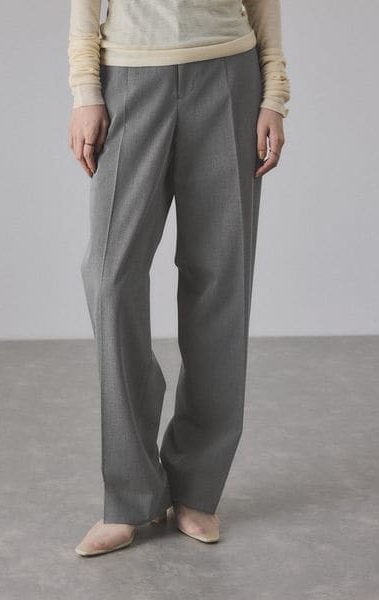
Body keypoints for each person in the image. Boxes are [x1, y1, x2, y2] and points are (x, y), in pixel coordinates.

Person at [68, 0, 290, 557]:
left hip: (228, 74)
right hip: (128, 76)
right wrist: (85, 91)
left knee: (220, 279)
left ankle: (197, 485)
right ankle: (131, 493)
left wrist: (274, 95)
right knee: (110, 278)